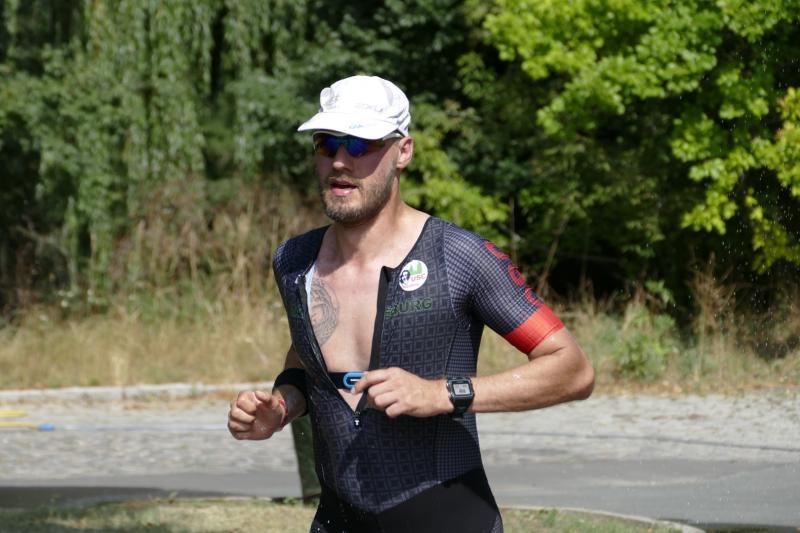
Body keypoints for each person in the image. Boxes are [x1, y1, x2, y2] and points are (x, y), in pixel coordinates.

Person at [227, 75, 594, 533]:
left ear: (403, 151)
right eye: (326, 143)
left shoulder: (459, 257)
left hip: (446, 517)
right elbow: (307, 357)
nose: (340, 160)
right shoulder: (294, 261)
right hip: (338, 520)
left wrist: (443, 393)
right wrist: (283, 405)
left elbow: (572, 369)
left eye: (360, 144)